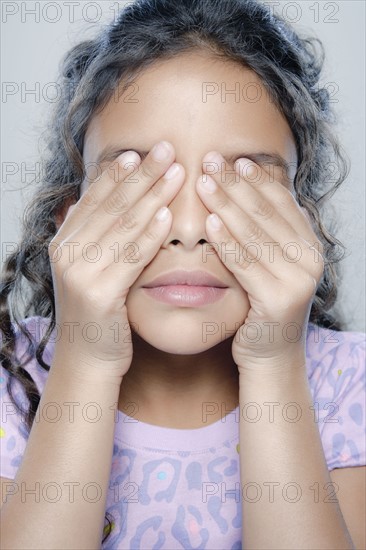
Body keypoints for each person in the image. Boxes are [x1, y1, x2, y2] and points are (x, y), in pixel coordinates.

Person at [0, 0, 365, 548]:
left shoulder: (347, 386)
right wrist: (87, 357)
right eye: (139, 180)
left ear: (301, 229)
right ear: (68, 218)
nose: (189, 228)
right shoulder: (13, 379)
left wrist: (273, 361)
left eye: (241, 184)